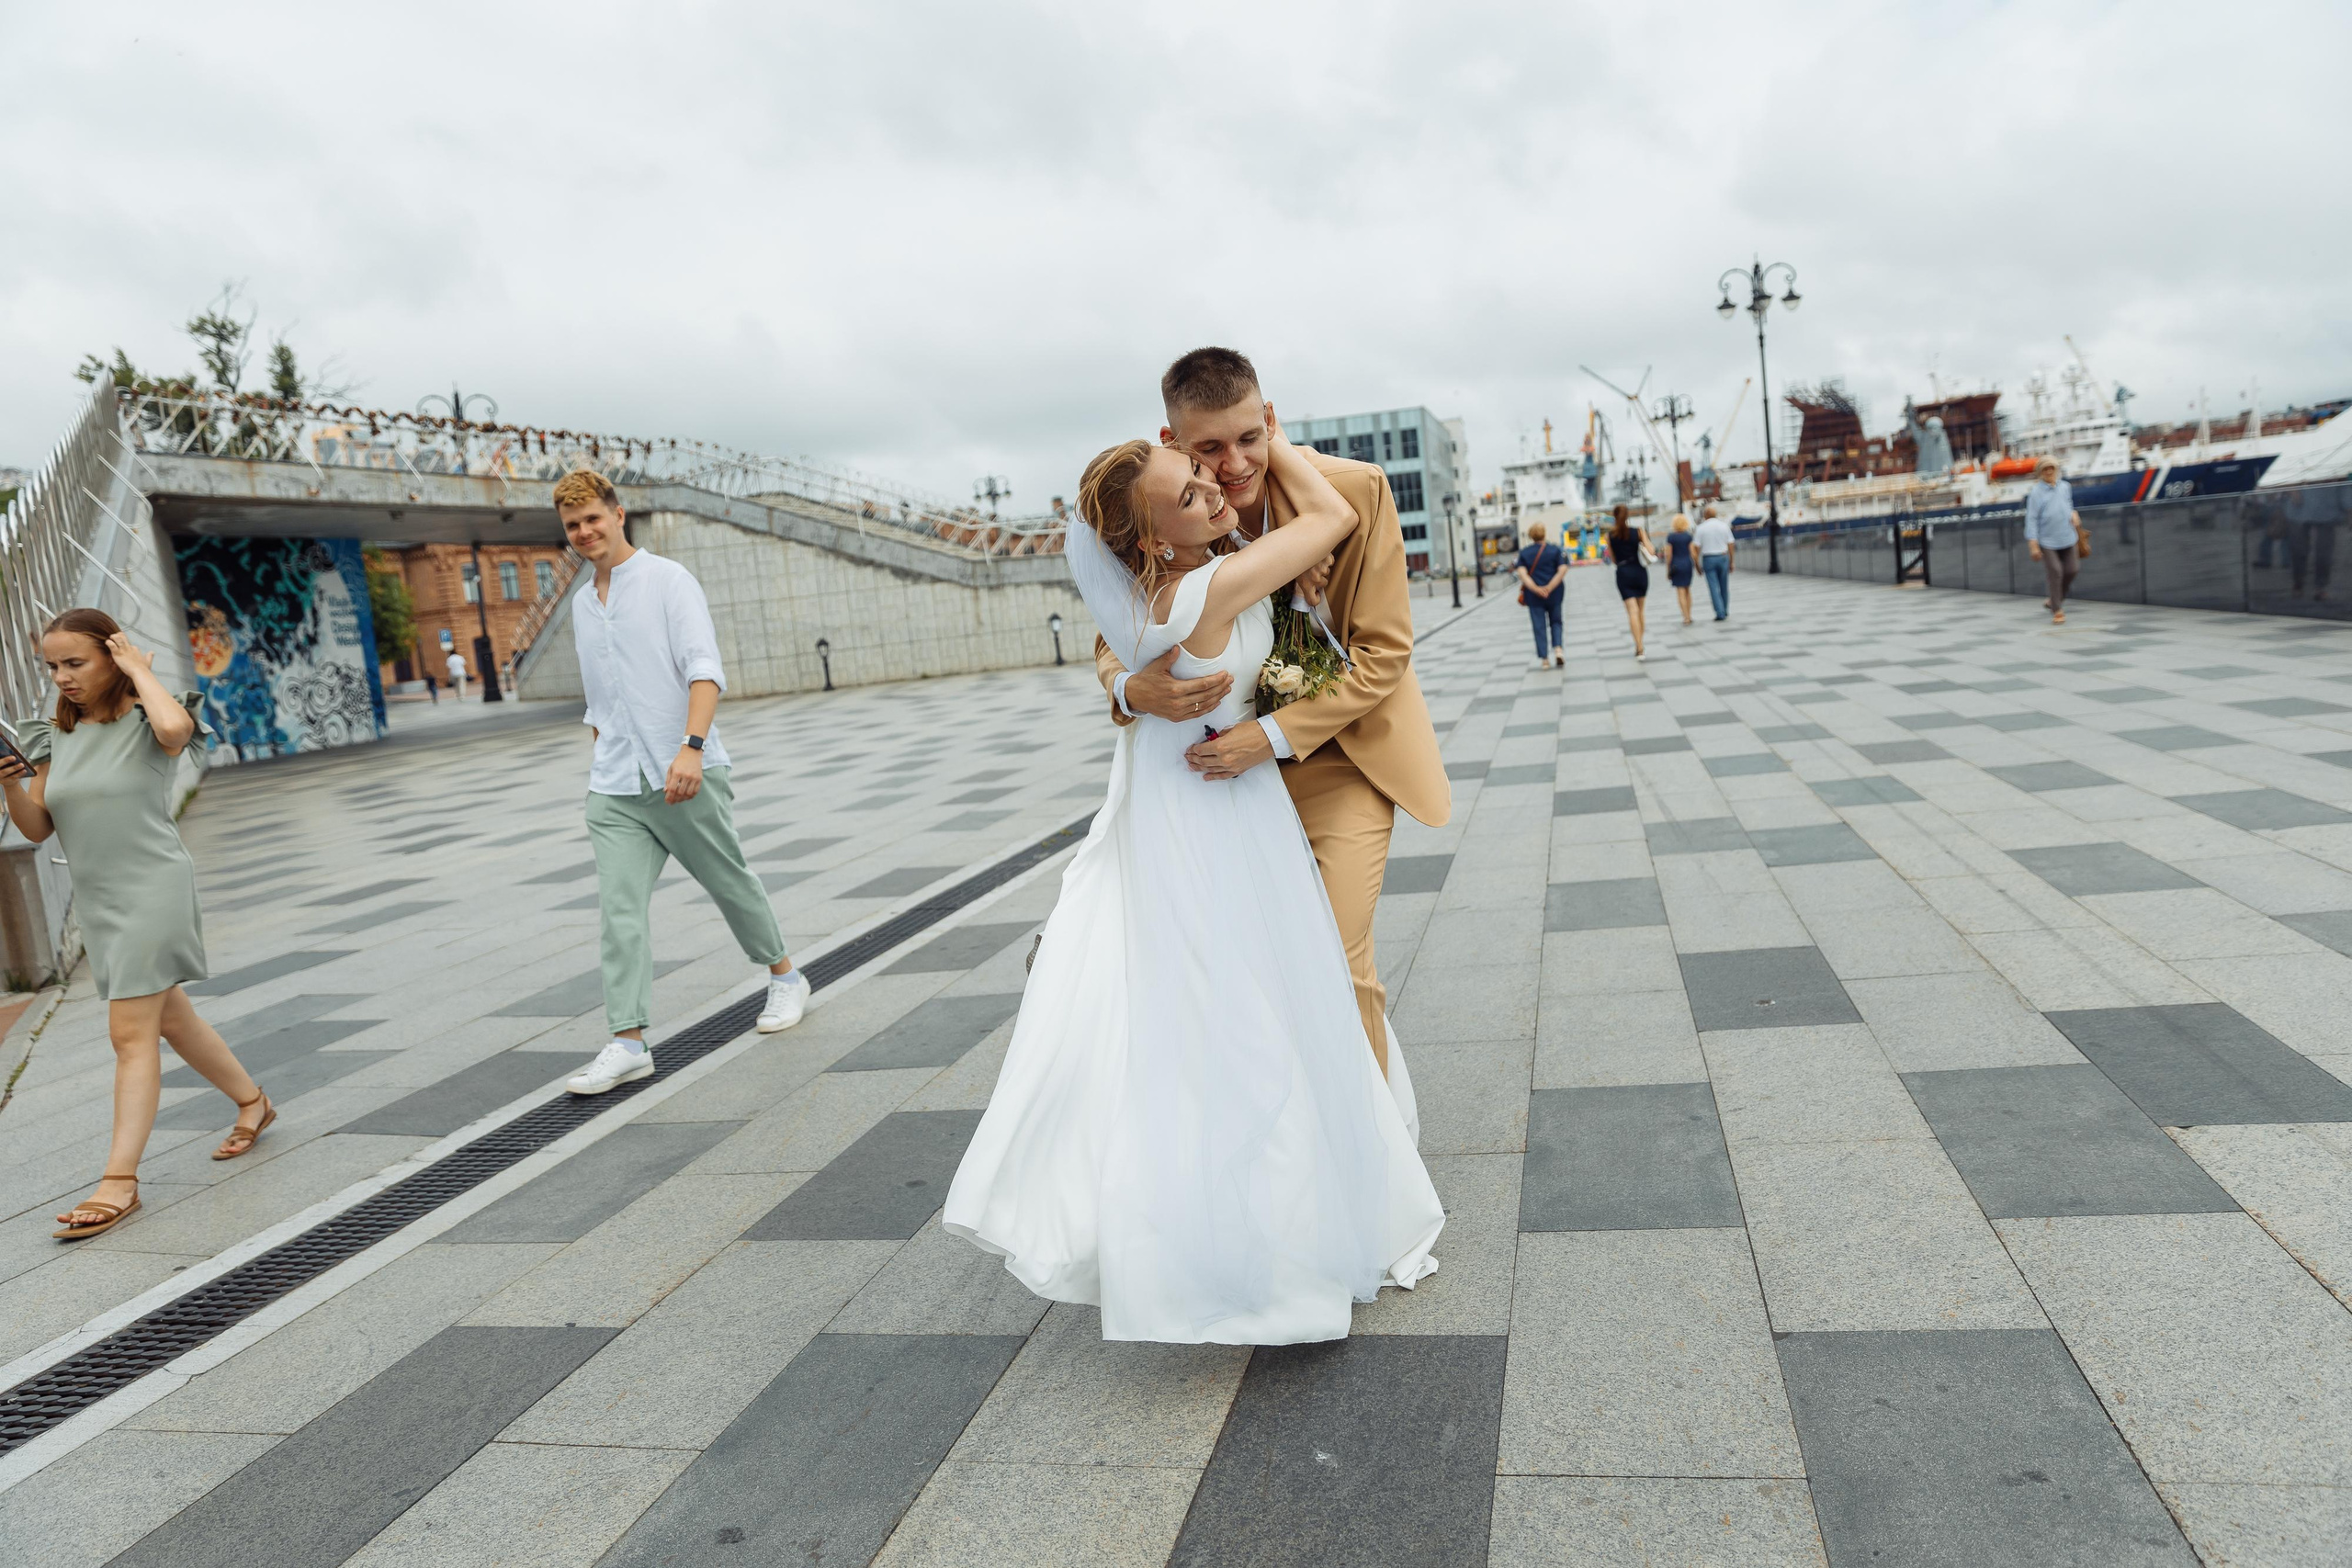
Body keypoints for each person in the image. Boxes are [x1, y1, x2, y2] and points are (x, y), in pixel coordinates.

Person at [945, 412, 1444, 1345]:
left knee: (1254, 996)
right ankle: (1292, 1209)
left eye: (1217, 466)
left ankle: (1282, 1185)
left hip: (1230, 793)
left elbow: (1354, 620)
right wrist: (1130, 686)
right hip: (1220, 808)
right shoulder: (1207, 584)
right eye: (1190, 484)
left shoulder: (1170, 585)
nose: (1217, 485)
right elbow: (1324, 520)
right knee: (1260, 1003)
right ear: (1143, 535)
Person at [1090, 347, 1449, 1077]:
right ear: (1172, 444)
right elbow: (1113, 623)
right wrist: (1130, 688)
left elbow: (1383, 655)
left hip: (1342, 757)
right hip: (1234, 789)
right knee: (1249, 980)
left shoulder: (1355, 490)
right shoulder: (1171, 500)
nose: (1232, 466)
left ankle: (1375, 1167)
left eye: (1250, 438)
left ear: (1272, 422)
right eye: (1208, 449)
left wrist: (1273, 735)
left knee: (1339, 966)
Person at [2, 610, 273, 1241]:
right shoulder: (52, 736)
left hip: (153, 889)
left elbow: (178, 732)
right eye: (52, 666)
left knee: (129, 1034)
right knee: (172, 1018)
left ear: (111, 655)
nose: (61, 677)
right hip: (101, 900)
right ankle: (253, 1102)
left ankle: (118, 1180)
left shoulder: (152, 716)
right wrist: (10, 787)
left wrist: (137, 670)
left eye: (76, 662)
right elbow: (38, 827)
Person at [552, 469, 808, 1096]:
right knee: (620, 913)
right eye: (572, 525)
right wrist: (601, 761)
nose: (585, 531)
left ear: (617, 513)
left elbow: (703, 670)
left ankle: (785, 976)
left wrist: (691, 750)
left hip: (683, 772)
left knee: (729, 880)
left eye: (593, 518)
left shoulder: (669, 580)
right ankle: (628, 1040)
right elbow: (599, 702)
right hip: (616, 786)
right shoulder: (584, 604)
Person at [2024, 456, 2082, 623]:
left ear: (2057, 470)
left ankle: (2054, 599)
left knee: (2072, 570)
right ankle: (2057, 609)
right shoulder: (2036, 493)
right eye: (2045, 469)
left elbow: (2068, 505)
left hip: (2068, 536)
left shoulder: (2065, 487)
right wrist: (2033, 544)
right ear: (2040, 473)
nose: (2049, 471)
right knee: (2055, 571)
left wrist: (2073, 513)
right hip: (2047, 541)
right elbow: (2032, 519)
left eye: (2052, 468)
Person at [1514, 522, 1566, 668]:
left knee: (1539, 625)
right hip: (1555, 593)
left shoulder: (1525, 553)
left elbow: (1523, 575)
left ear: (1531, 536)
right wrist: (1549, 587)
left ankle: (1544, 659)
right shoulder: (1554, 550)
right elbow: (1562, 570)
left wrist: (1536, 589)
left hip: (1534, 596)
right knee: (1556, 621)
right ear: (1544, 533)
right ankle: (1558, 650)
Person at [1607, 504, 1656, 660]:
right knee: (1641, 610)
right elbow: (1652, 551)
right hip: (1639, 572)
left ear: (1614, 516)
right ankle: (1641, 643)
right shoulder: (1638, 531)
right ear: (1628, 516)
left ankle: (1639, 647)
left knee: (1632, 611)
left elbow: (1613, 559)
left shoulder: (1610, 536)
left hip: (1623, 573)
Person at [1694, 502, 1736, 621]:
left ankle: (1720, 612)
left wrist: (1697, 564)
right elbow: (1731, 544)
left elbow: (1696, 548)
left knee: (1713, 586)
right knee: (1724, 585)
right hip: (1723, 556)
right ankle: (1725, 609)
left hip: (1709, 558)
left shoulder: (1701, 528)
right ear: (1715, 515)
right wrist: (1732, 561)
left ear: (1705, 515)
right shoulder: (1724, 526)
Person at [1665, 512, 1697, 625]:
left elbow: (1668, 555)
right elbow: (1693, 553)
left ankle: (1685, 617)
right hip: (1687, 564)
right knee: (1688, 590)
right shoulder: (1688, 536)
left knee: (1680, 592)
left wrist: (1667, 570)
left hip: (1676, 565)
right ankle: (1690, 614)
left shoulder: (1671, 537)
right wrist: (1697, 565)